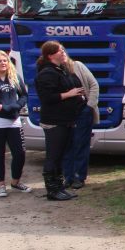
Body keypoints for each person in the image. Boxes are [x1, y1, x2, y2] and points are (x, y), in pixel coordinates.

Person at [35, 41, 86, 201]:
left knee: (62, 154)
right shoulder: (46, 74)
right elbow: (47, 98)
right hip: (54, 121)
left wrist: (80, 96)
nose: (63, 53)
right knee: (53, 155)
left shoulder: (63, 70)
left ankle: (59, 186)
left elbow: (76, 85)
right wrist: (68, 94)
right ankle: (52, 189)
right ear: (50, 55)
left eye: (64, 50)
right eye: (59, 51)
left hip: (67, 119)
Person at [0, 50, 30, 197]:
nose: (3, 63)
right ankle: (1, 184)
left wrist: (16, 106)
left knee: (20, 153)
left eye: (5, 60)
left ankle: (16, 181)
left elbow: (24, 95)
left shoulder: (14, 77)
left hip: (14, 120)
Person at [62, 53, 99, 190]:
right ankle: (68, 177)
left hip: (82, 112)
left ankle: (79, 176)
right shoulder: (55, 71)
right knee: (67, 145)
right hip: (65, 114)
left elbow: (94, 85)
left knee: (80, 144)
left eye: (63, 52)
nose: (63, 55)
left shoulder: (78, 66)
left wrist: (89, 106)